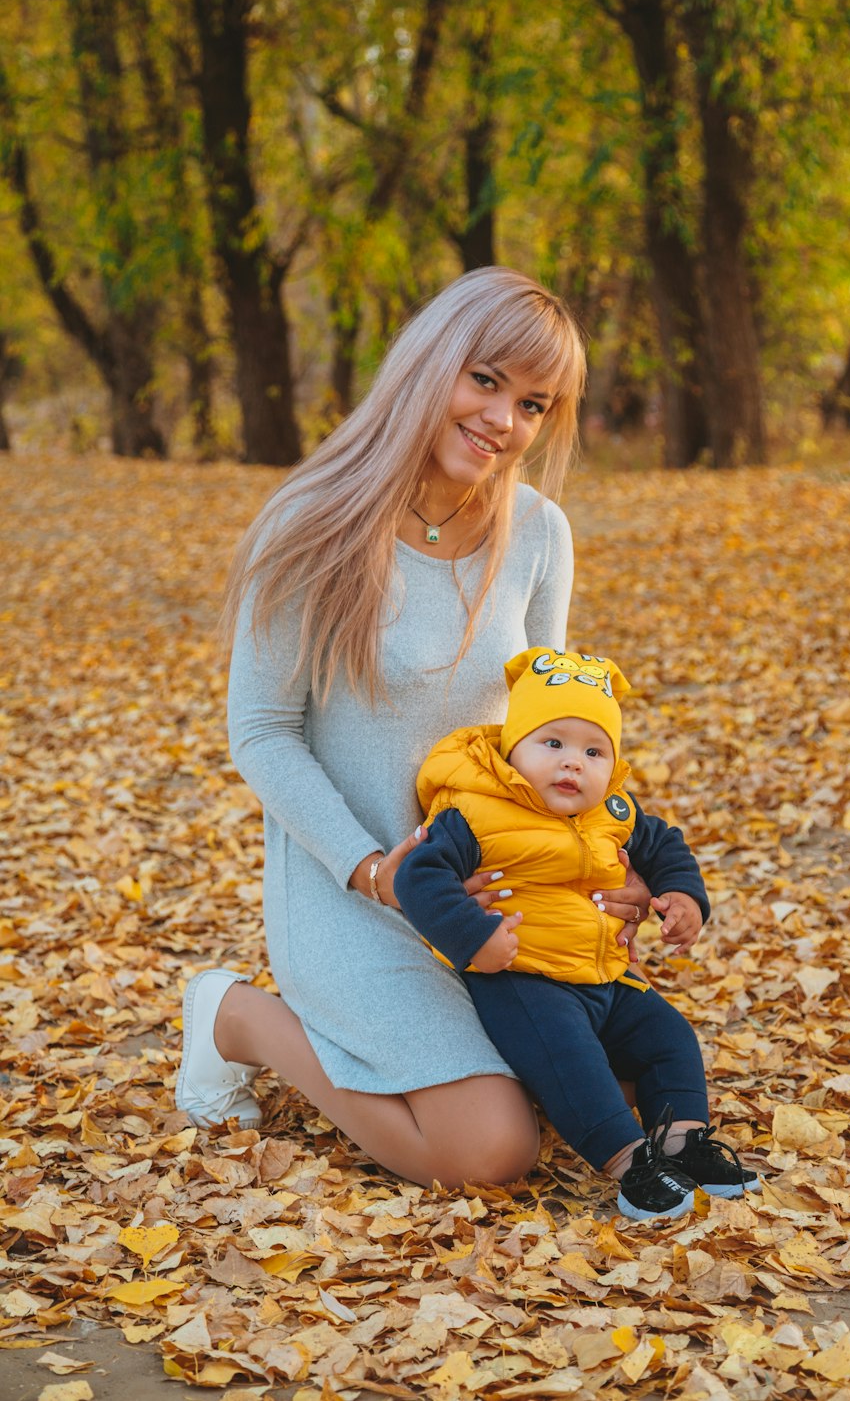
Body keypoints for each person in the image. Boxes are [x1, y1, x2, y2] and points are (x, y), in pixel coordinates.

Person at [174, 267, 651, 1188]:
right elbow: (264, 731)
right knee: (490, 1152)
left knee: (624, 1088)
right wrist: (369, 866)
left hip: (486, 890)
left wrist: (601, 860)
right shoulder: (311, 523)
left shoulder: (541, 533)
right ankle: (236, 1016)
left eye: (533, 403)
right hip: (348, 890)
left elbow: (545, 729)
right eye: (485, 380)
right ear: (431, 363)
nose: (503, 419)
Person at [393, 646, 760, 1221]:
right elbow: (421, 875)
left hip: (606, 976)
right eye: (553, 744)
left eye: (593, 751)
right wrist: (474, 937)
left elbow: (665, 845)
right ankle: (629, 1164)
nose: (572, 764)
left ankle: (682, 1145)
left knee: (670, 1038)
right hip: (524, 978)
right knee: (572, 1060)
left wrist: (684, 897)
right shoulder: (476, 812)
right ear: (513, 750)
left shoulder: (611, 810)